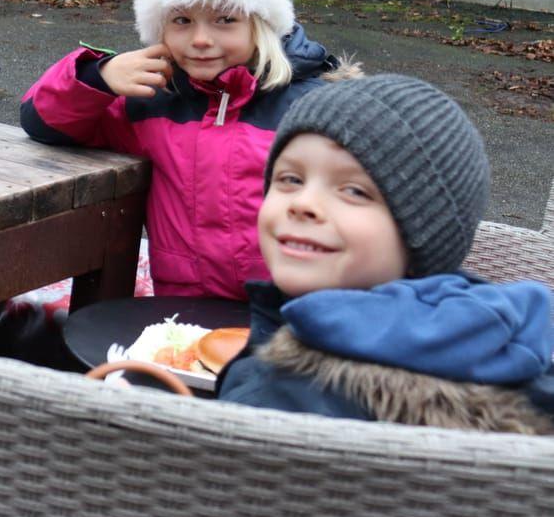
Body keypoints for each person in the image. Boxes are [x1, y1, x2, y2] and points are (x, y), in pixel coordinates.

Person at [21, 0, 354, 300]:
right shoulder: (149, 98)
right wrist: (98, 77)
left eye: (225, 20)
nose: (200, 39)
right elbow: (43, 121)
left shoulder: (319, 108)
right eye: (182, 20)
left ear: (261, 25)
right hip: (183, 312)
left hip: (291, 313)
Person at [217, 75, 554, 432]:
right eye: (290, 179)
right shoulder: (510, 352)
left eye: (355, 191)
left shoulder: (273, 397)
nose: (303, 204)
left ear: (424, 232)